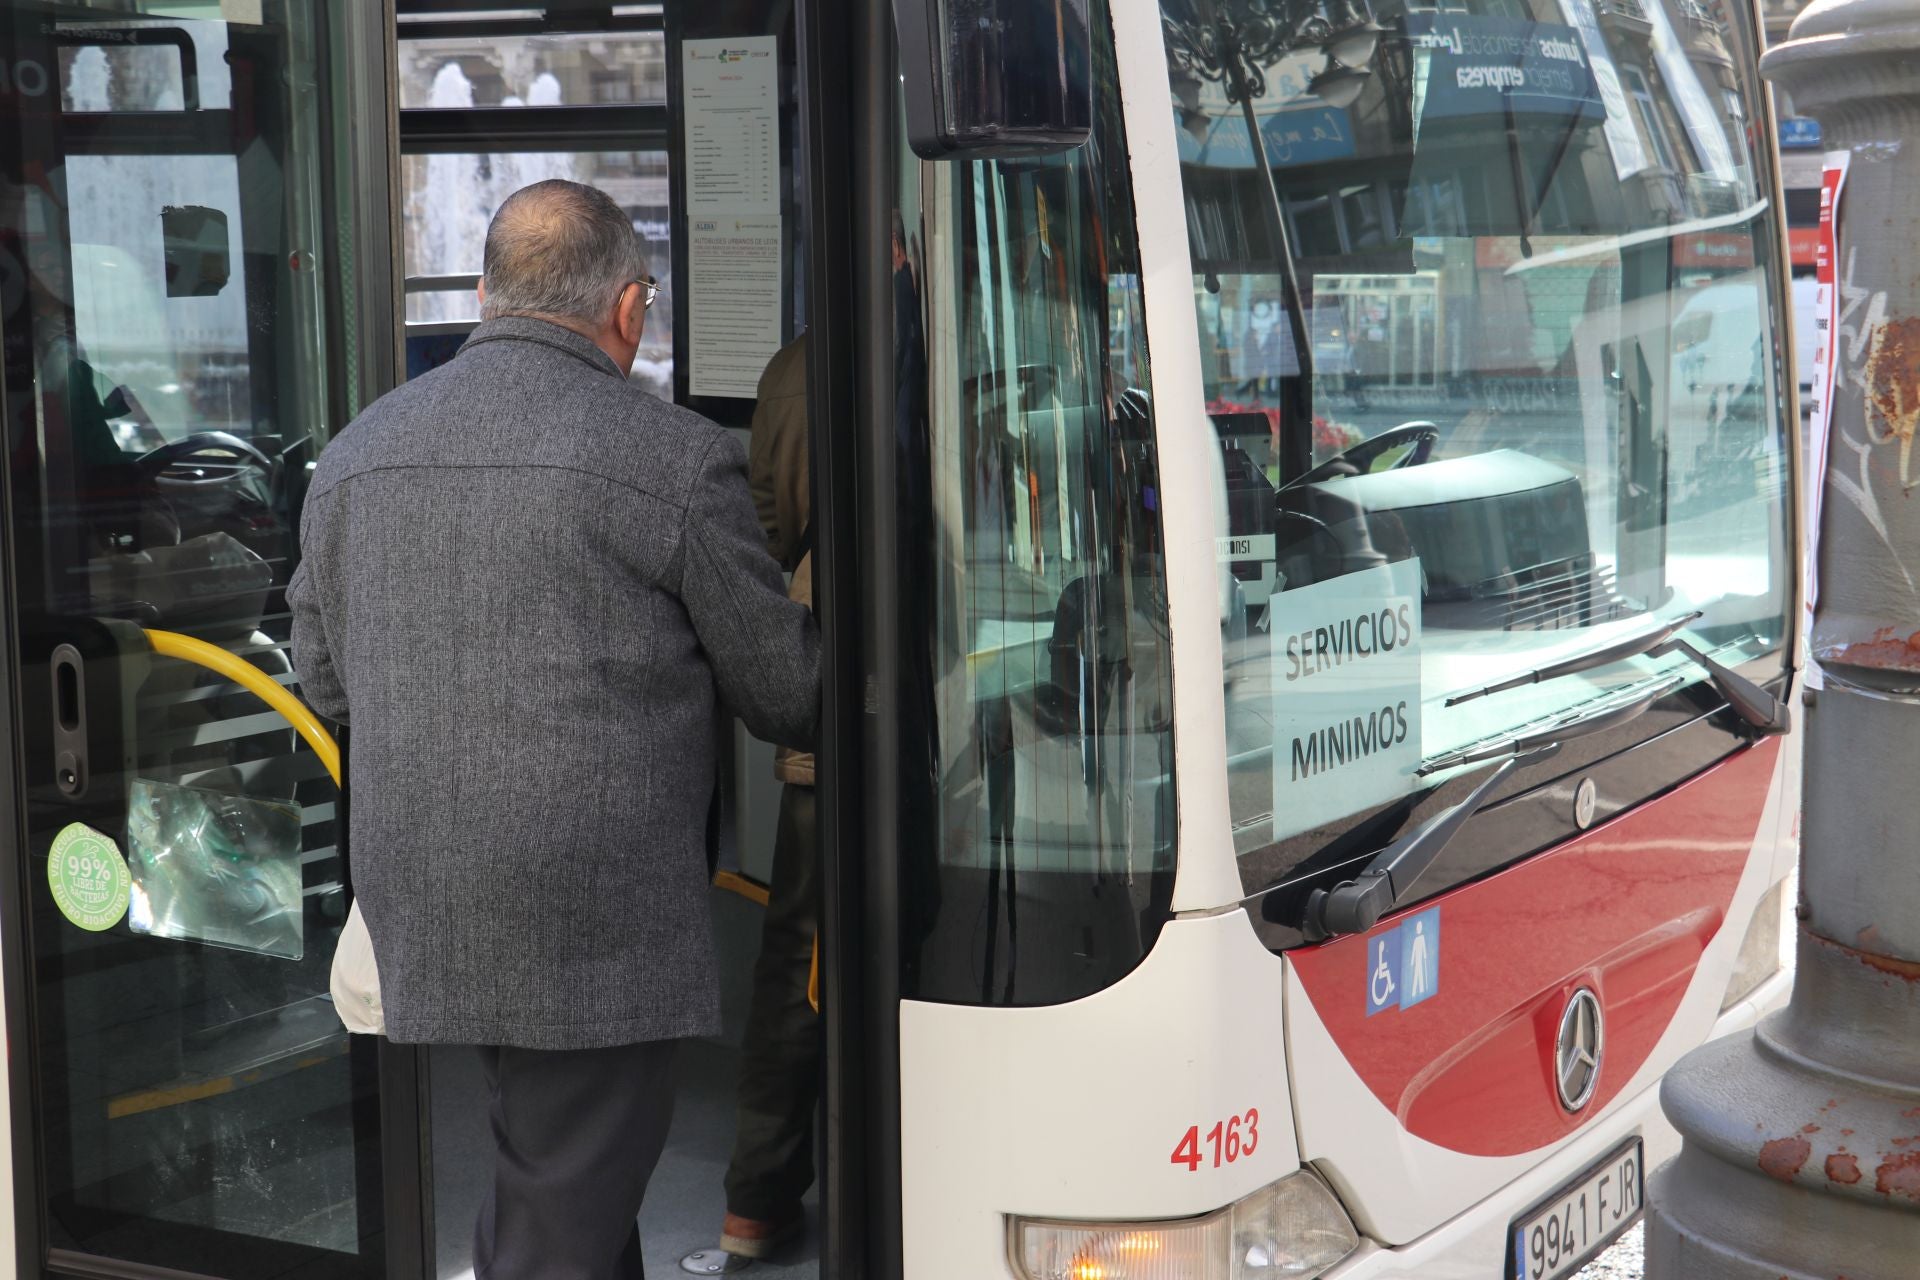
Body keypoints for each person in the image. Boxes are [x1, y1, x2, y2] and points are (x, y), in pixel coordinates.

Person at [289, 179, 818, 1280]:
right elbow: (785, 691)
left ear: (487, 293)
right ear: (630, 307)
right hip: (590, 914)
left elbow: (323, 681)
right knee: (556, 1219)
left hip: (422, 887)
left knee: (564, 1176)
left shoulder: (353, 456)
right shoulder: (673, 458)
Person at [718, 330, 817, 1259]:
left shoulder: (794, 364)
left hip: (832, 714)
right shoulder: (989, 324)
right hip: (971, 707)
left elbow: (765, 532)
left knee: (800, 959)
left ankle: (758, 1197)